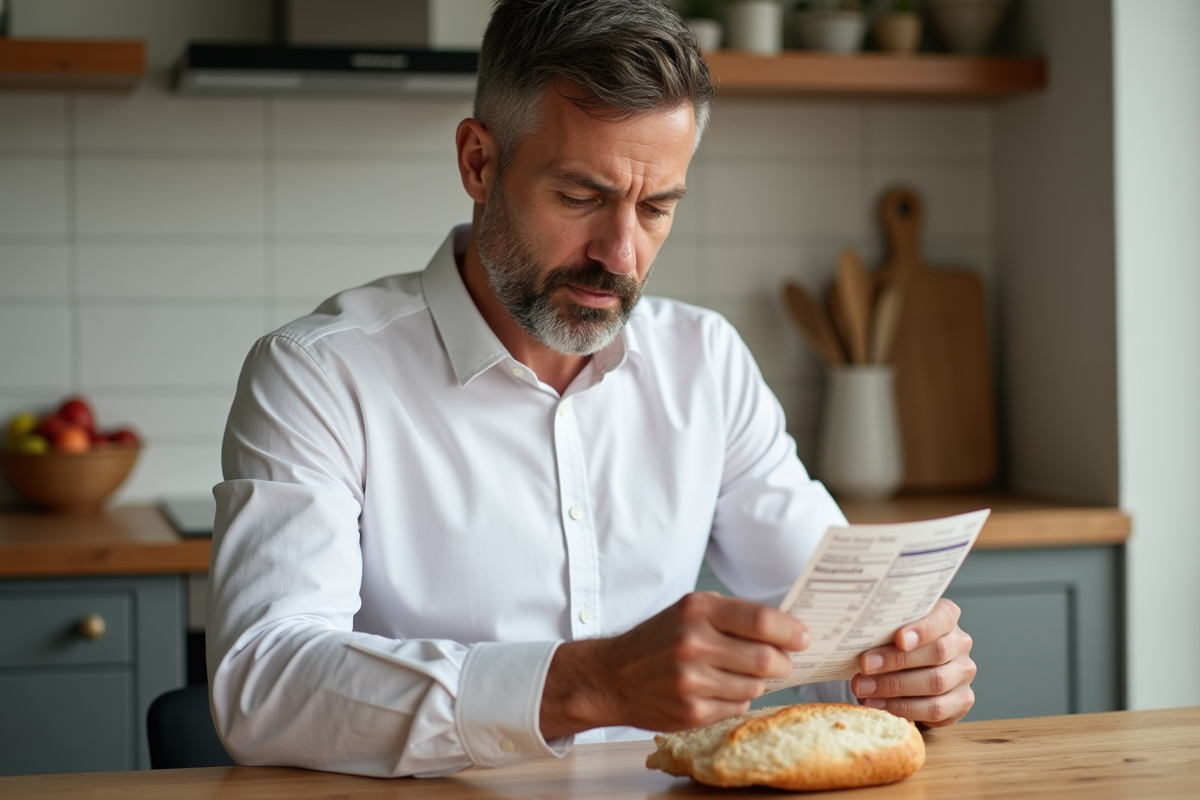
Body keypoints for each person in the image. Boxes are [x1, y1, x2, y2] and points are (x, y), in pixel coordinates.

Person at [207, 0, 976, 779]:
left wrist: (902, 661)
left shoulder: (704, 361)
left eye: (656, 207)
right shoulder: (316, 374)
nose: (620, 252)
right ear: (479, 162)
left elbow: (832, 613)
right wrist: (587, 685)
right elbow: (263, 685)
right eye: (580, 197)